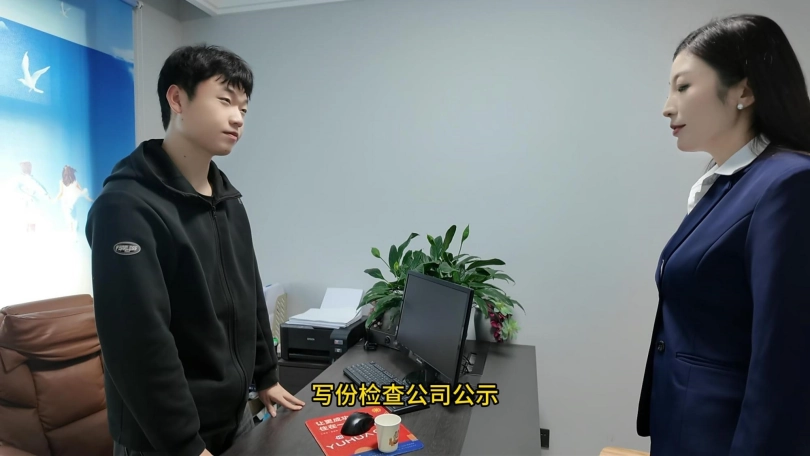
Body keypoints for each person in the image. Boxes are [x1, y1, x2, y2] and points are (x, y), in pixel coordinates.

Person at [85, 44, 305, 456]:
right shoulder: (125, 208)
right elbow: (138, 343)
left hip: (233, 420)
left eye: (243, 107)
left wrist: (267, 375)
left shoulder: (228, 201)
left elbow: (248, 296)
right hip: (164, 440)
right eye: (224, 100)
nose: (238, 117)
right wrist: (184, 444)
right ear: (177, 99)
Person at [637, 14, 810, 455]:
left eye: (682, 87)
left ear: (743, 92)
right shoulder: (727, 182)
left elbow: (783, 360)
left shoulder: (788, 183)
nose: (667, 107)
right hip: (684, 428)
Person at [55, 165, 92, 240]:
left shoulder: (62, 182)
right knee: (74, 219)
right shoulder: (75, 182)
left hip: (65, 203)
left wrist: (55, 200)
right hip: (72, 203)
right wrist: (89, 199)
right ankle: (74, 234)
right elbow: (82, 192)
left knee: (69, 219)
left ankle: (72, 233)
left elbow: (61, 193)